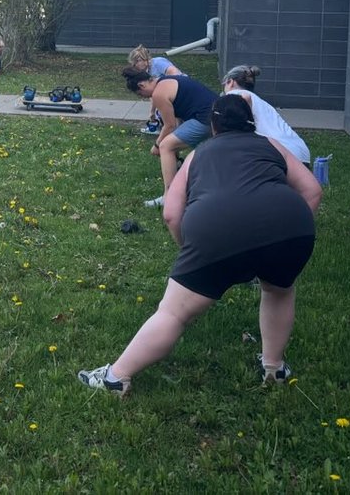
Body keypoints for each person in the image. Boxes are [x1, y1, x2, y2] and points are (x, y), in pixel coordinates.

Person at [78, 94, 322, 395]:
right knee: (278, 290)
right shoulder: (271, 146)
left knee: (173, 313)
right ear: (253, 123)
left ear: (214, 125)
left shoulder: (199, 154)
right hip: (290, 230)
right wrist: (286, 229)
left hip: (216, 232)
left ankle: (116, 377)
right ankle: (274, 368)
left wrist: (190, 250)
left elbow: (170, 212)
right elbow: (312, 191)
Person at [121, 65, 219, 203]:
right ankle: (181, 175)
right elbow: (177, 121)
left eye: (139, 94)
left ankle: (170, 197)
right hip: (216, 116)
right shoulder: (167, 80)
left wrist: (157, 144)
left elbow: (170, 126)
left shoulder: (158, 94)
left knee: (165, 146)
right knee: (171, 144)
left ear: (141, 85)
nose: (142, 97)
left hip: (206, 120)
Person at [222, 65, 310, 165]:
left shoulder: (234, 94)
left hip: (278, 155)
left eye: (224, 85)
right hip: (301, 154)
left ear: (230, 82)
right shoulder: (262, 103)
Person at [127, 46, 184, 133]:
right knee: (161, 112)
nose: (136, 65)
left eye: (138, 61)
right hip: (166, 92)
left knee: (172, 110)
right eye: (134, 63)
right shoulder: (145, 72)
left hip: (180, 87)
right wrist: (152, 111)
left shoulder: (158, 62)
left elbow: (174, 73)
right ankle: (169, 130)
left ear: (145, 59)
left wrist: (166, 89)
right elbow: (152, 93)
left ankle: (177, 132)